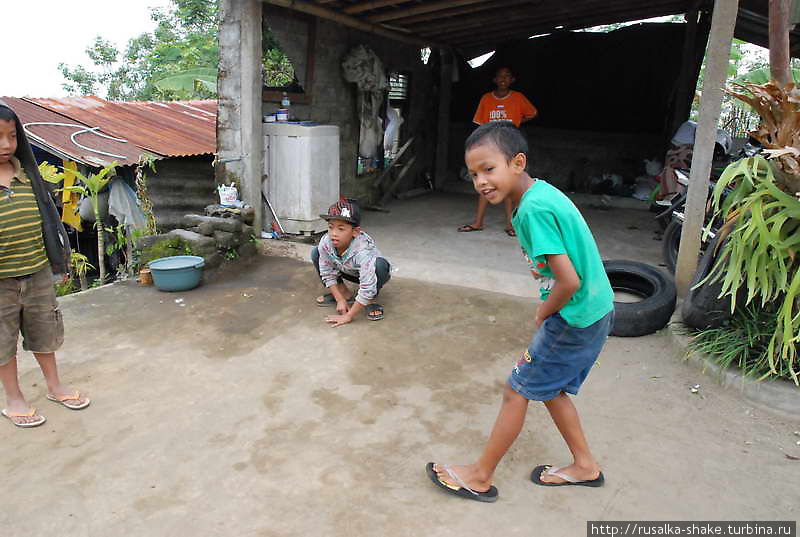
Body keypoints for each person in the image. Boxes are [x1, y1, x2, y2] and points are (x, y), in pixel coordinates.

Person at [428, 122, 614, 502]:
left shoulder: (532, 211)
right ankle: (584, 466)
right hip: (596, 311)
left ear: (517, 162)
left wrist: (544, 312)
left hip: (572, 316)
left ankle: (479, 476)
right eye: (474, 174)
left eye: (488, 169)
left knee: (516, 391)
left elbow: (568, 281)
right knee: (550, 388)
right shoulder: (539, 195)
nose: (480, 181)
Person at [0, 101, 90, 428]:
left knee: (45, 331)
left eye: (11, 136)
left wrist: (58, 261)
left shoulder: (28, 175)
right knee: (2, 343)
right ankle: (13, 399)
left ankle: (54, 386)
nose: (5, 145)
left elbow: (49, 221)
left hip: (37, 272)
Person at [458, 66, 537, 237]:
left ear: (512, 80)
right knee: (485, 184)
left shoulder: (518, 98)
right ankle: (478, 222)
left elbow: (531, 113)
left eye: (507, 76)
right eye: (500, 76)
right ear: (495, 80)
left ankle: (510, 224)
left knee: (507, 185)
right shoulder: (487, 98)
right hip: (489, 148)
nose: (503, 79)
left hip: (508, 147)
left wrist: (516, 121)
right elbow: (479, 123)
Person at [311, 199, 391, 327]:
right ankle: (344, 293)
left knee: (380, 265)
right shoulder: (326, 241)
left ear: (355, 232)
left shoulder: (363, 250)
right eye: (331, 227)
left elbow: (367, 286)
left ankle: (370, 301)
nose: (334, 234)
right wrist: (340, 299)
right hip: (346, 269)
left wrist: (348, 316)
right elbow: (327, 272)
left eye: (341, 229)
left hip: (370, 274)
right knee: (316, 252)